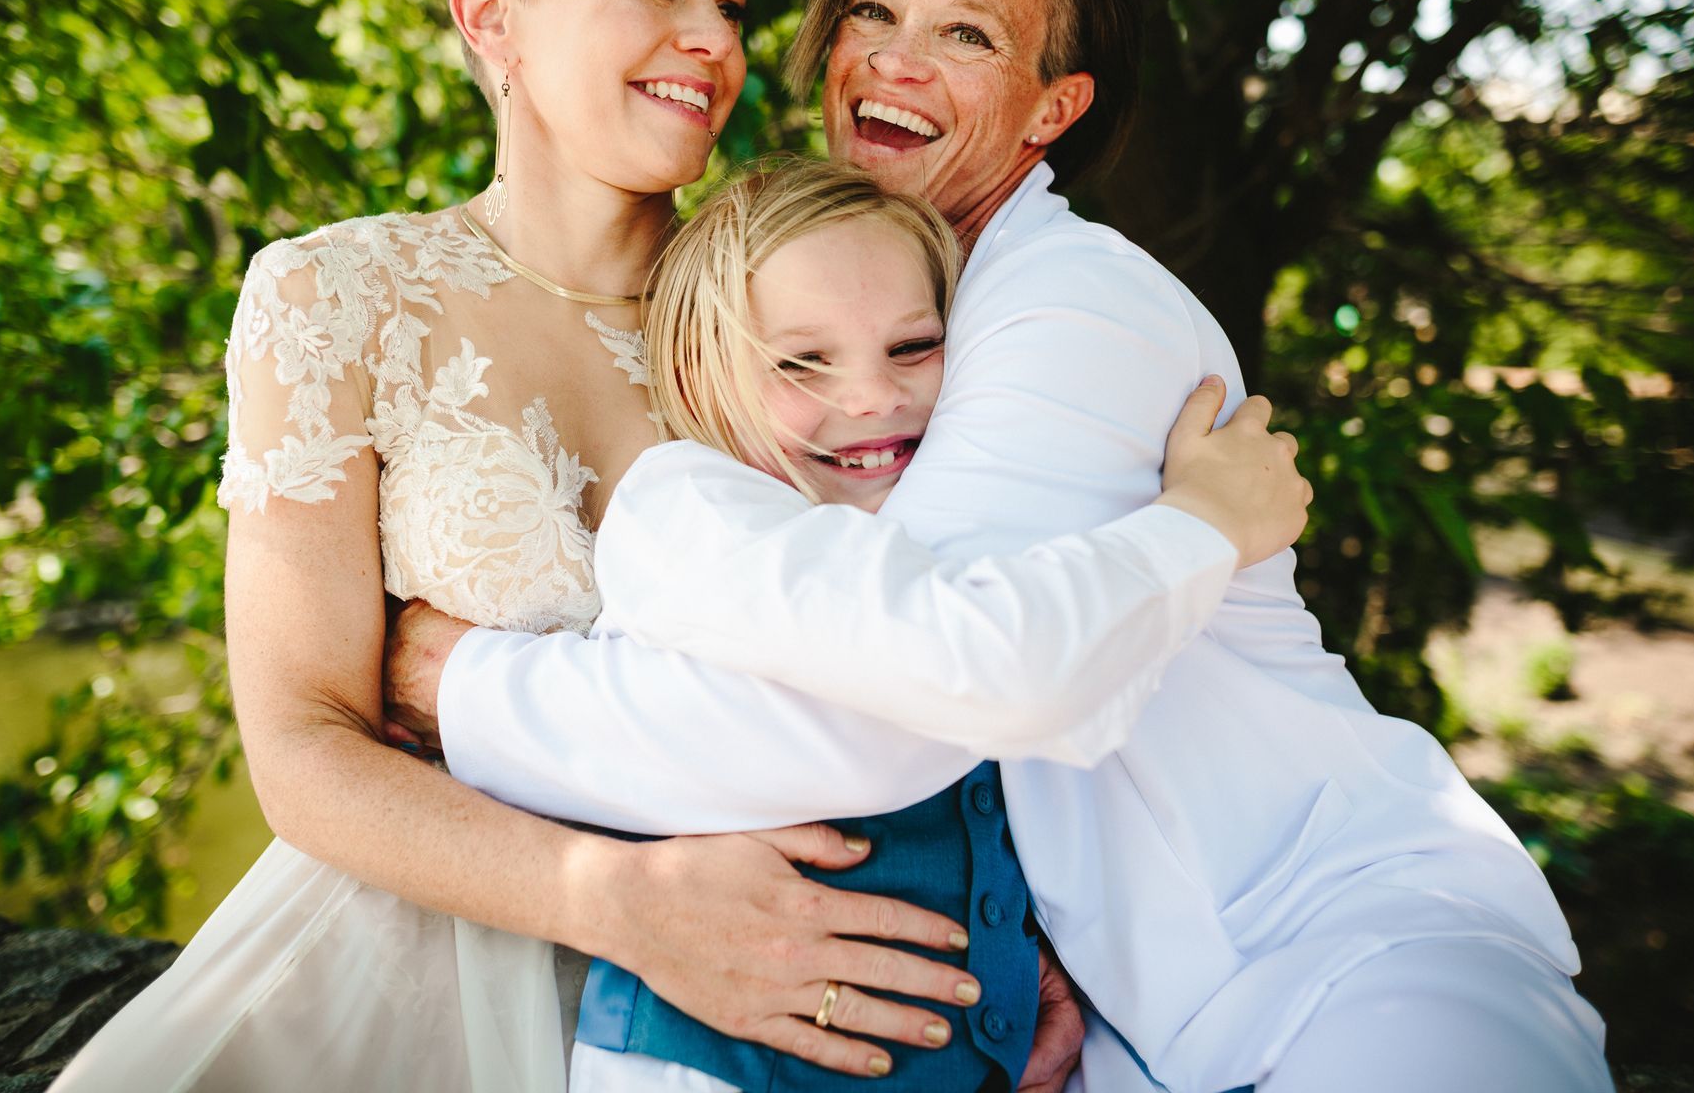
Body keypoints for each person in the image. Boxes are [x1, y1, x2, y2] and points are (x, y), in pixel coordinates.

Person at [51, 0, 1308, 1091]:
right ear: (490, 13)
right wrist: (613, 898)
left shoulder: (815, 299)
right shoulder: (337, 295)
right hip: (416, 974)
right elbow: (301, 753)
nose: (713, 38)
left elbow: (926, 640)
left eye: (732, 1)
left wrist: (1011, 932)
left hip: (773, 1016)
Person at [390, 0, 1614, 1091]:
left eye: (966, 34)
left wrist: (465, 687)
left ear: (1052, 107)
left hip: (1354, 966)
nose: (894, 61)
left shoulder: (1067, 306)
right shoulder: (898, 313)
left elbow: (917, 704)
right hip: (1136, 1031)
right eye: (873, 10)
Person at [556, 156, 1308, 1091]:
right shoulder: (687, 507)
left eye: (914, 347)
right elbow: (947, 656)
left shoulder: (955, 522)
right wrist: (1207, 524)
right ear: (693, 369)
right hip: (717, 1063)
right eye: (802, 362)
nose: (873, 396)